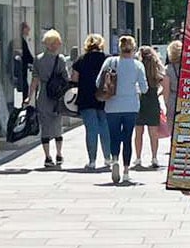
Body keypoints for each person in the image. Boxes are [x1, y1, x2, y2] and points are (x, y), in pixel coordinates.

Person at [100, 36, 148, 185]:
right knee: (127, 138)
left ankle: (114, 160)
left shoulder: (110, 62)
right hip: (131, 106)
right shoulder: (138, 65)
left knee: (114, 136)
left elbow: (98, 82)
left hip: (112, 106)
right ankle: (126, 171)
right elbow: (144, 88)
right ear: (133, 49)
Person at [70, 34, 111, 172]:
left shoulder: (81, 60)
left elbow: (74, 79)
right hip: (104, 98)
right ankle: (107, 158)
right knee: (105, 128)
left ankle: (92, 161)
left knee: (91, 130)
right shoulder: (107, 59)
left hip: (86, 98)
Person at [32, 31, 68, 169]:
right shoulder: (61, 59)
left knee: (45, 127)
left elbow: (34, 80)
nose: (60, 44)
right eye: (58, 42)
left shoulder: (38, 59)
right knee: (57, 125)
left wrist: (29, 97)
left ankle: (47, 157)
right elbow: (66, 78)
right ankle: (59, 154)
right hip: (57, 96)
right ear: (53, 44)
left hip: (43, 95)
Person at [134, 45, 167, 170]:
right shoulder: (156, 70)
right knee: (153, 133)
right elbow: (163, 85)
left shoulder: (138, 69)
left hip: (139, 102)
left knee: (138, 133)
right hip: (153, 101)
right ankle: (154, 157)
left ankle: (138, 158)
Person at [6, 22, 35, 109]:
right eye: (27, 28)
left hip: (20, 69)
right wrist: (36, 62)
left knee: (23, 86)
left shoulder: (21, 41)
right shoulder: (20, 42)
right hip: (19, 70)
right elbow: (27, 56)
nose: (29, 30)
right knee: (23, 87)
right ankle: (23, 106)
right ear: (23, 29)